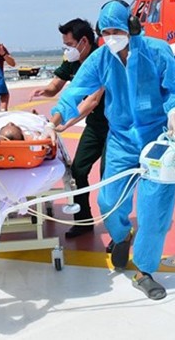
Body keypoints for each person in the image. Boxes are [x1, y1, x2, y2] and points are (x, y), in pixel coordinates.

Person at [50, 0, 175, 300]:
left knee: (154, 209)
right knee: (108, 200)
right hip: (121, 141)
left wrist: (174, 112)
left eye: (116, 29)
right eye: (106, 31)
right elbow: (77, 89)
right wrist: (58, 115)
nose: (111, 36)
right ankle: (120, 236)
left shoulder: (155, 50)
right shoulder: (102, 58)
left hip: (157, 139)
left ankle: (145, 270)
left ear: (130, 26)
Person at [30, 18, 109, 239]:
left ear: (84, 41)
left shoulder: (101, 59)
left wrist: (64, 124)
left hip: (115, 128)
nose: (67, 49)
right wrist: (43, 91)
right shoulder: (72, 60)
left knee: (109, 176)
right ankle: (83, 221)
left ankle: (118, 231)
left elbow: (92, 100)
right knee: (78, 171)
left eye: (69, 43)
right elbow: (57, 85)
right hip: (95, 126)